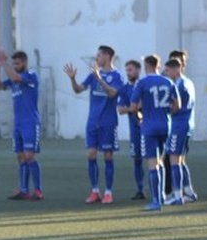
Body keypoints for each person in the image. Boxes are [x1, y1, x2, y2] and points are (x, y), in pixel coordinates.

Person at [64, 45, 123, 204]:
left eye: (99, 55)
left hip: (108, 123)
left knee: (108, 156)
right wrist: (72, 78)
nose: (97, 58)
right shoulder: (93, 75)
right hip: (93, 122)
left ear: (108, 56)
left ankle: (108, 192)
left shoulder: (117, 76)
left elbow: (112, 93)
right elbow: (78, 90)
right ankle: (95, 191)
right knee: (91, 154)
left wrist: (99, 79)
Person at [129, 54, 181, 211]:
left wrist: (140, 117)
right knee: (161, 161)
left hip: (149, 127)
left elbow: (133, 106)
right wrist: (166, 113)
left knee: (152, 163)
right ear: (158, 65)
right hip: (166, 125)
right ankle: (163, 196)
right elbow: (177, 105)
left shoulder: (142, 83)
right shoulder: (168, 81)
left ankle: (156, 201)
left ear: (146, 66)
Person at [0, 49, 42, 200]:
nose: (14, 66)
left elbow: (14, 77)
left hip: (30, 123)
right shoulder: (14, 79)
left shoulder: (30, 75)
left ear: (25, 63)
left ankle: (38, 190)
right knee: (20, 157)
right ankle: (24, 190)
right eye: (13, 63)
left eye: (17, 63)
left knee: (29, 156)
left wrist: (4, 63)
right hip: (18, 124)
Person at [164, 53, 198, 204]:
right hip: (187, 124)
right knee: (181, 160)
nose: (167, 74)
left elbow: (175, 106)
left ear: (176, 69)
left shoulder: (179, 85)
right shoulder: (188, 82)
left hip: (179, 125)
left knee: (174, 159)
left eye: (168, 71)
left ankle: (177, 196)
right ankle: (189, 192)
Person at [117, 59, 146, 200]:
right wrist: (133, 108)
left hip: (149, 127)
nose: (128, 73)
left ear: (138, 70)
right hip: (134, 130)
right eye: (127, 70)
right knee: (137, 159)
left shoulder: (145, 85)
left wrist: (131, 108)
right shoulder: (124, 89)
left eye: (131, 69)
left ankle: (160, 189)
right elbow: (120, 110)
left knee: (156, 159)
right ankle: (140, 189)